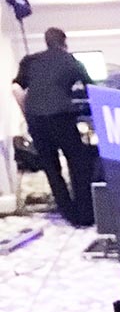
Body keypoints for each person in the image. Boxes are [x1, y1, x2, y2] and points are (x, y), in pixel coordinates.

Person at [11, 27, 94, 226]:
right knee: (78, 162)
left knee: (51, 168)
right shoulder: (71, 60)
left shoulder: (29, 60)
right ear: (64, 43)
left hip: (36, 119)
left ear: (46, 42)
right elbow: (92, 89)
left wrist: (28, 115)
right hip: (61, 117)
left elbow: (15, 88)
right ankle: (84, 214)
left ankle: (68, 213)